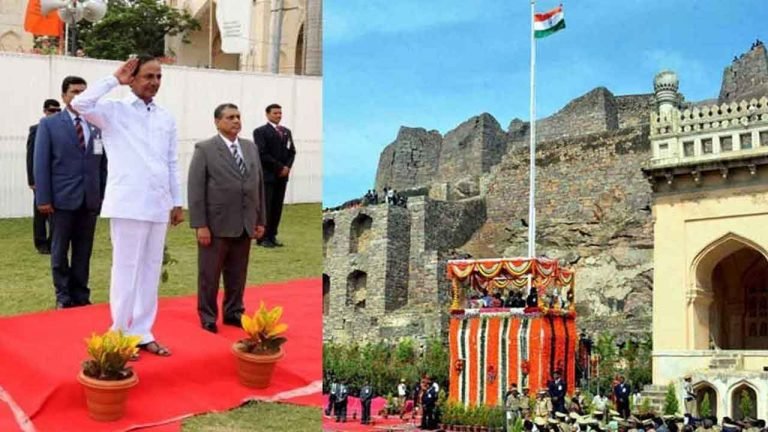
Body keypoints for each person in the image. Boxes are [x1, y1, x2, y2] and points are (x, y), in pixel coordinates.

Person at [72, 55, 184, 357]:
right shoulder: (113, 111)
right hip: (127, 203)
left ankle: (143, 332)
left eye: (159, 77)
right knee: (126, 269)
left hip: (158, 203)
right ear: (132, 78)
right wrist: (113, 79)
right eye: (148, 76)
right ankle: (119, 333)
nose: (155, 82)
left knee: (149, 270)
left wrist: (177, 201)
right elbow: (79, 105)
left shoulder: (166, 117)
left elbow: (171, 161)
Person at [188, 103, 266, 333]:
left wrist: (260, 220)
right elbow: (196, 189)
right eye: (230, 117)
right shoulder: (205, 149)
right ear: (217, 122)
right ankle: (208, 315)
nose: (236, 121)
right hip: (216, 223)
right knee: (209, 274)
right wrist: (200, 224)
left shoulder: (250, 148)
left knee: (237, 274)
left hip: (244, 222)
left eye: (238, 117)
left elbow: (258, 185)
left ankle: (234, 312)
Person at [34, 77, 107, 309]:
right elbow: (41, 163)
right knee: (59, 250)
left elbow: (102, 164)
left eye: (84, 92)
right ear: (64, 95)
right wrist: (43, 198)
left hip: (90, 199)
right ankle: (63, 296)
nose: (79, 96)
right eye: (75, 92)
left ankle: (81, 294)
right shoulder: (50, 124)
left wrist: (102, 193)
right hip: (61, 200)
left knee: (83, 252)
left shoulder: (96, 125)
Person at [252, 103, 295, 248]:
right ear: (268, 114)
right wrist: (279, 167)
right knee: (266, 207)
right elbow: (262, 153)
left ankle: (272, 235)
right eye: (275, 113)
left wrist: (287, 167)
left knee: (277, 207)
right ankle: (262, 237)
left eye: (280, 113)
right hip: (268, 175)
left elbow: (292, 152)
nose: (278, 115)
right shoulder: (260, 132)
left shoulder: (286, 132)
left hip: (282, 177)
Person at [26, 98, 60, 255]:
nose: (55, 113)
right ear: (45, 111)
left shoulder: (61, 129)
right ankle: (40, 243)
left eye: (57, 110)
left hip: (56, 179)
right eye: (52, 110)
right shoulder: (36, 129)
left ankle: (53, 241)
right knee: (40, 213)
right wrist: (32, 180)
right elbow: (31, 156)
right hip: (40, 179)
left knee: (56, 212)